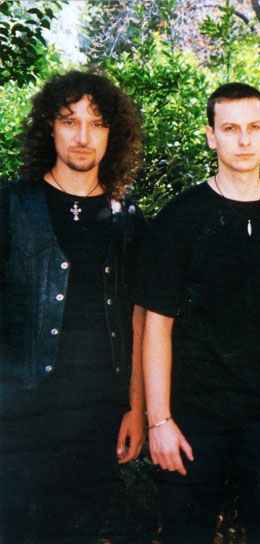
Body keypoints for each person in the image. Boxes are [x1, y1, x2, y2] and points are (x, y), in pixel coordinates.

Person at [133, 82, 260, 544]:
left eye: (254, 127)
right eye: (231, 128)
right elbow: (156, 326)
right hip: (194, 417)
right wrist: (159, 420)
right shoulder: (180, 217)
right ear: (210, 136)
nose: (244, 140)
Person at [0, 70, 147, 543]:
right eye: (69, 121)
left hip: (96, 420)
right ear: (49, 127)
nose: (83, 136)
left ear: (112, 134)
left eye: (96, 123)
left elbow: (139, 322)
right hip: (16, 417)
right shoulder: (12, 206)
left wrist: (136, 408)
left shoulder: (128, 219)